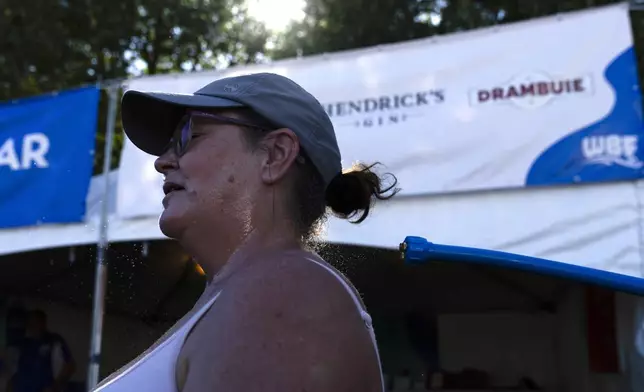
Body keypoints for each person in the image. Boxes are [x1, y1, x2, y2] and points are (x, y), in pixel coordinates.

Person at [94, 73, 398, 392]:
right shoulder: (255, 293)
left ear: (275, 155)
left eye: (187, 135)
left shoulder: (286, 291)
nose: (162, 162)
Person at [12, 310, 75, 392]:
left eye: (36, 322)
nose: (32, 326)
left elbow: (70, 365)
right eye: (30, 323)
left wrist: (54, 386)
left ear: (43, 323)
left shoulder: (54, 340)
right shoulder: (25, 344)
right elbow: (18, 370)